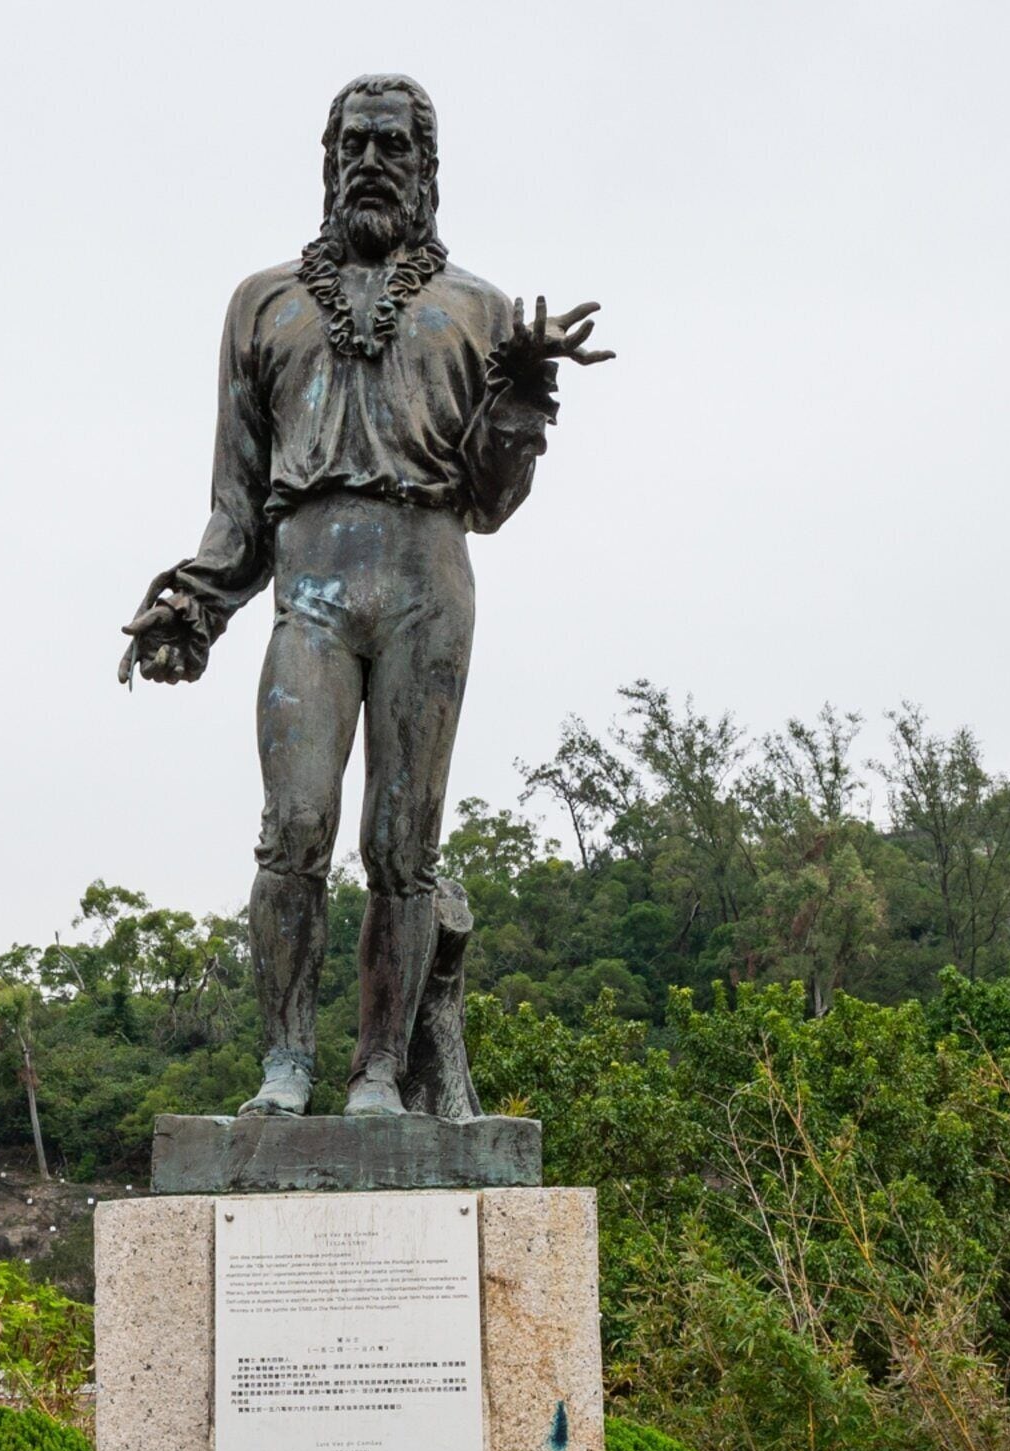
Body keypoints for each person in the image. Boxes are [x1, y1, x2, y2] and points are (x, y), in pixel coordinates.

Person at [119, 74, 613, 1117]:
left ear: (428, 169)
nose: (373, 162)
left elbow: (490, 499)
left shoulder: (476, 308)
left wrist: (524, 391)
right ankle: (285, 1063)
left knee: (403, 847)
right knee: (294, 824)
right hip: (311, 587)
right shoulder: (264, 304)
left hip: (426, 580)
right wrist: (193, 605)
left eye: (395, 145)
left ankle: (379, 1070)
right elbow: (236, 499)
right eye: (356, 144)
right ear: (329, 160)